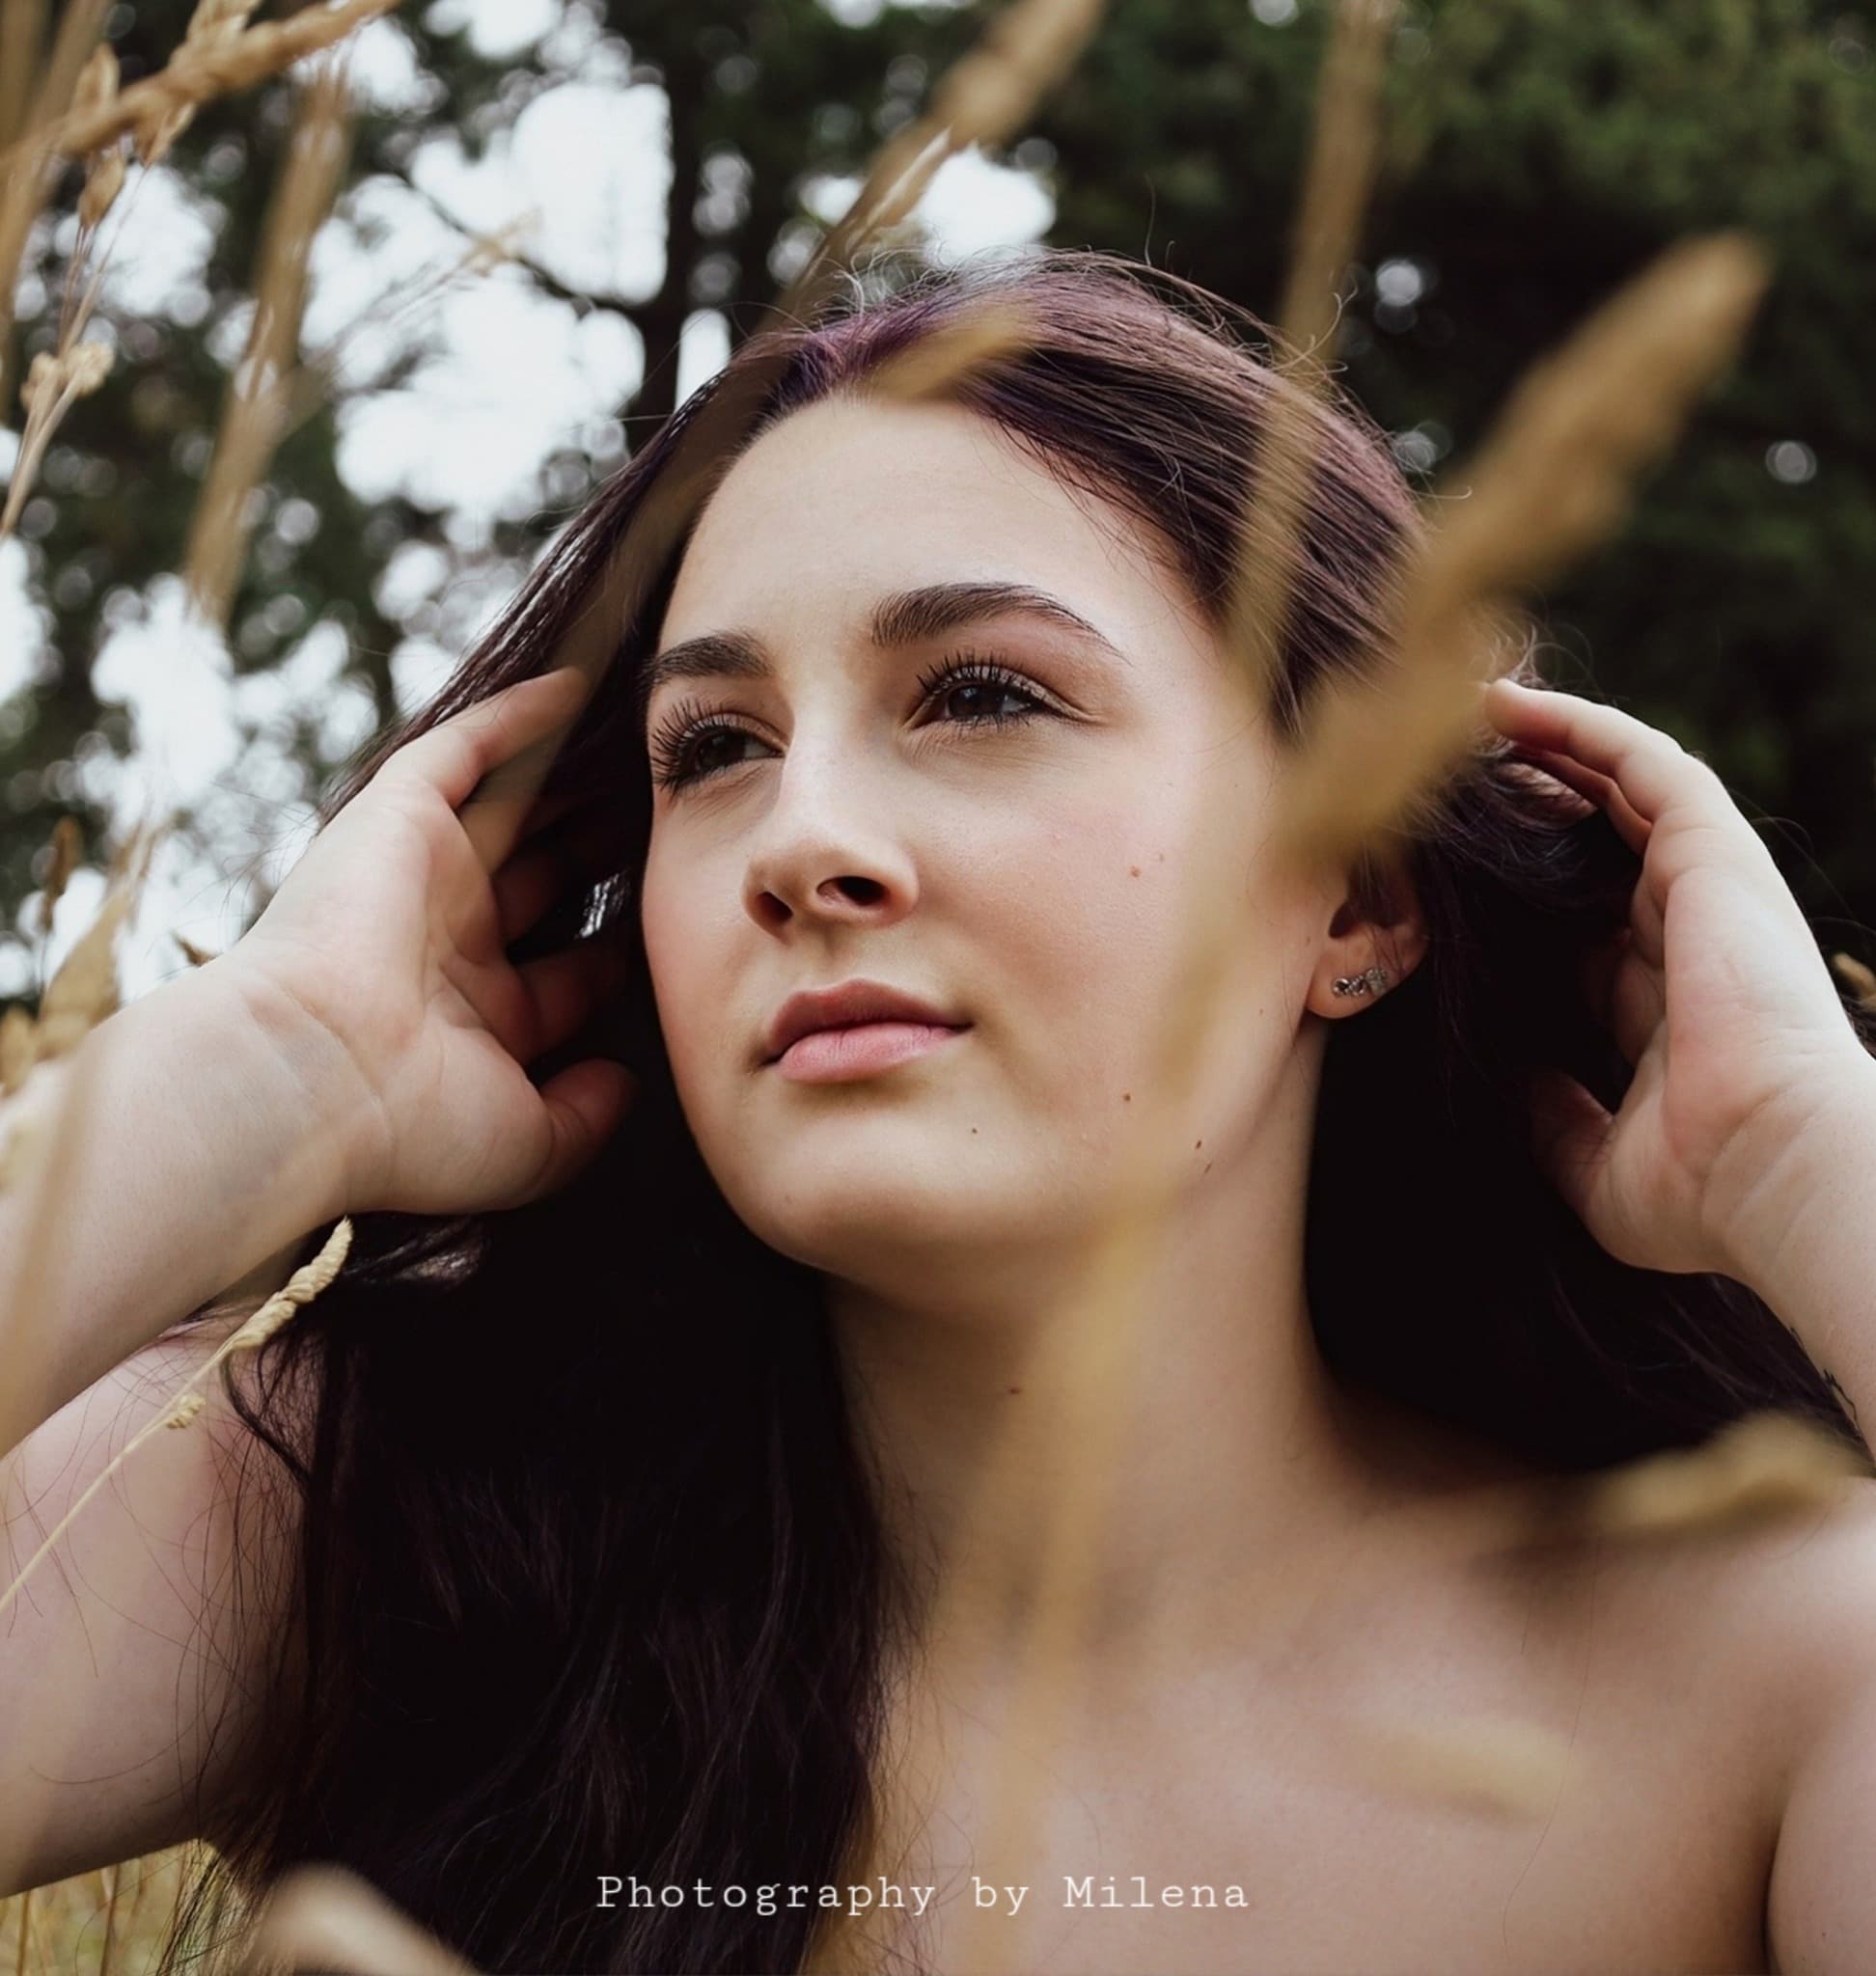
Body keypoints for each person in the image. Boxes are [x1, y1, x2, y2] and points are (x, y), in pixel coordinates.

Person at [0, 248, 1868, 1976]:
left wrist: (1808, 1158)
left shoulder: (1781, 1671)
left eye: (980, 693)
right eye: (712, 749)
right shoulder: (378, 1537)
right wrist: (259, 1070)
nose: (801, 838)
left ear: (1359, 894)